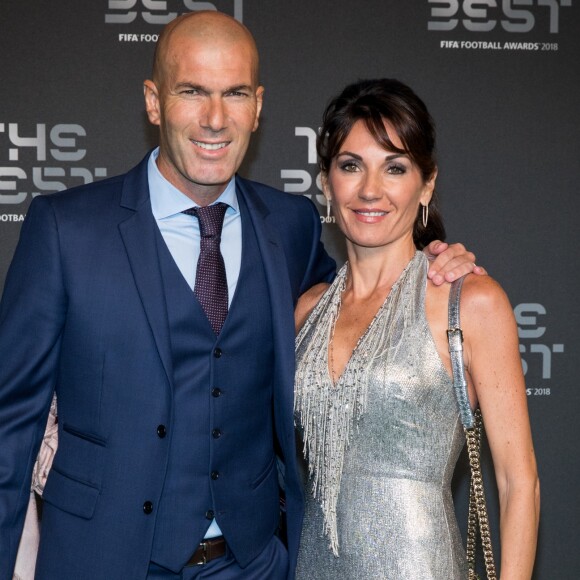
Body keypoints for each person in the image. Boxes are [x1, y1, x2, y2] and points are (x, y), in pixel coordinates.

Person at [0, 12, 479, 580]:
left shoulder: (292, 225)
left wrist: (432, 261)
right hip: (102, 559)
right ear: (153, 102)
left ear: (257, 106)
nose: (215, 119)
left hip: (253, 564)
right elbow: (11, 427)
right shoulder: (65, 230)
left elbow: (363, 300)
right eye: (192, 92)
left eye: (234, 94)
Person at [294, 78, 540, 579]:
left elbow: (519, 484)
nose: (369, 189)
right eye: (350, 165)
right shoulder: (305, 312)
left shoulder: (470, 302)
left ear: (426, 184)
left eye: (395, 168)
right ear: (326, 182)